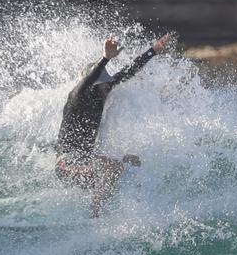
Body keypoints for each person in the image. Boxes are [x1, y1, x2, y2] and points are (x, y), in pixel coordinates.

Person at [55, 33, 173, 217]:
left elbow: (128, 71)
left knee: (131, 162)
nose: (108, 87)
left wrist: (153, 51)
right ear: (94, 85)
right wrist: (105, 59)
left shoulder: (103, 91)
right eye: (103, 84)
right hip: (67, 166)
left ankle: (136, 213)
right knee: (112, 167)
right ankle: (95, 215)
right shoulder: (77, 97)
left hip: (85, 163)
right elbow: (86, 82)